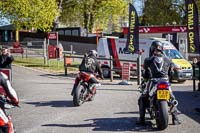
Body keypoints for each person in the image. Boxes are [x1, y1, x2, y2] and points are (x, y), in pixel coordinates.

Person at [137, 41, 181, 125]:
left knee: (142, 98)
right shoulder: (168, 59)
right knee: (172, 99)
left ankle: (141, 119)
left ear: (152, 49)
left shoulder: (148, 60)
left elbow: (145, 74)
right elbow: (172, 72)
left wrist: (145, 77)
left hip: (153, 81)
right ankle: (175, 119)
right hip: (165, 81)